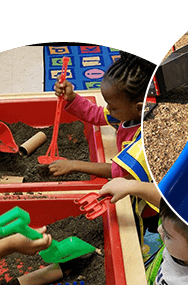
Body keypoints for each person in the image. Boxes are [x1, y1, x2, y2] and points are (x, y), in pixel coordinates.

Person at [53, 52, 158, 241]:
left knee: (146, 228)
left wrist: (74, 165)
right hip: (132, 185)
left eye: (113, 106)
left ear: (140, 107)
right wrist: (71, 97)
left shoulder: (145, 141)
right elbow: (97, 114)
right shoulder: (129, 115)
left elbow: (117, 172)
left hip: (149, 203)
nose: (108, 109)